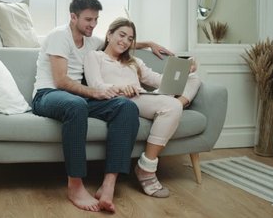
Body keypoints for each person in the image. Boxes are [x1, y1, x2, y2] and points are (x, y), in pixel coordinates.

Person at [31, 0, 170, 213]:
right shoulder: (60, 35)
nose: (93, 25)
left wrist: (148, 43)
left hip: (78, 97)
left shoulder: (91, 39)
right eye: (88, 20)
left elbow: (118, 41)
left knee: (126, 106)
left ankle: (108, 183)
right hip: (48, 94)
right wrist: (94, 92)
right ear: (73, 17)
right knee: (76, 105)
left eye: (96, 19)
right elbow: (60, 80)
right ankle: (75, 186)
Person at [83, 17, 201, 198]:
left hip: (142, 97)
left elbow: (159, 80)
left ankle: (177, 106)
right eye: (122, 35)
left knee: (194, 79)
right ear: (109, 35)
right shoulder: (95, 56)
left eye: (130, 39)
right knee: (171, 107)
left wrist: (185, 71)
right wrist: (121, 88)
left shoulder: (134, 62)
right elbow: (95, 85)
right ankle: (146, 169)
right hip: (119, 100)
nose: (125, 41)